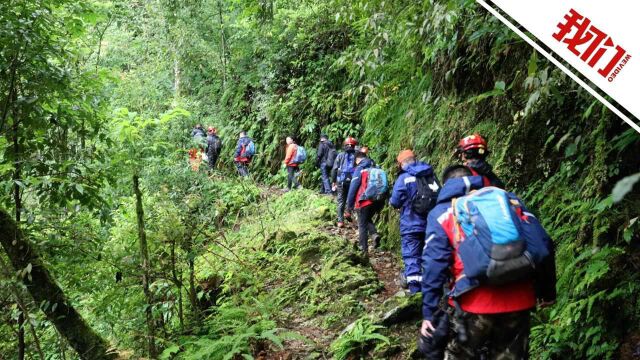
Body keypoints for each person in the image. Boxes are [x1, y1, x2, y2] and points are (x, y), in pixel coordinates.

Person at [419, 165, 557, 359]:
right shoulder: (509, 202)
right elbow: (544, 243)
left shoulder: (443, 212)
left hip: (472, 302)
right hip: (520, 299)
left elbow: (434, 265)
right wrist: (547, 291)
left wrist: (429, 313)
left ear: (446, 185)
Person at [389, 150, 439, 294]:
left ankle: (415, 292)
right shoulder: (430, 174)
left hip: (410, 224)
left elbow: (395, 201)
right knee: (428, 255)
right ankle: (432, 290)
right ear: (415, 159)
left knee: (412, 257)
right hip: (431, 223)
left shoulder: (404, 178)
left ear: (401, 164)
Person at [346, 147, 384, 254]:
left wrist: (349, 206)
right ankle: (374, 234)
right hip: (378, 199)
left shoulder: (360, 168)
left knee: (362, 224)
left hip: (364, 199)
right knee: (366, 218)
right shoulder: (375, 166)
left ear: (357, 159)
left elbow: (353, 187)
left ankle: (363, 250)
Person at [331, 137, 358, 228]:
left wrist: (333, 181)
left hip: (341, 181)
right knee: (352, 198)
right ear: (354, 146)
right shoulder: (357, 155)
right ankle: (348, 212)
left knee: (340, 200)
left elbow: (335, 169)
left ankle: (340, 221)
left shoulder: (340, 155)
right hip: (354, 181)